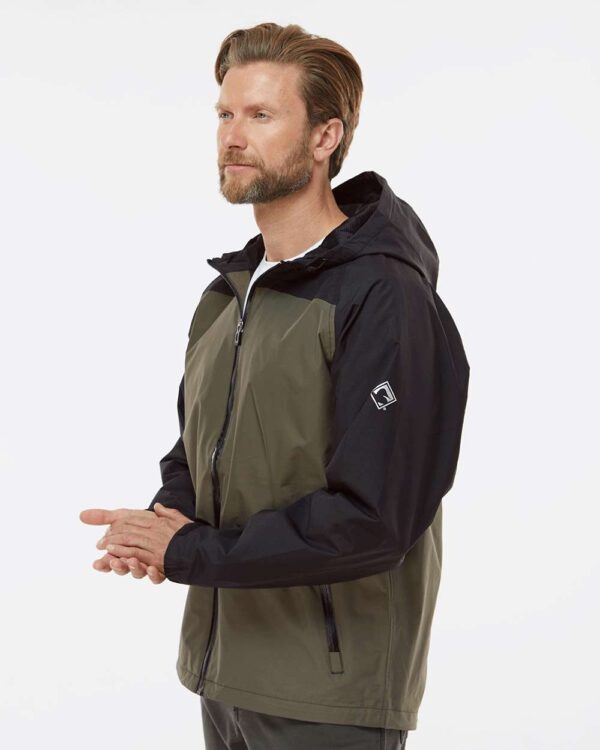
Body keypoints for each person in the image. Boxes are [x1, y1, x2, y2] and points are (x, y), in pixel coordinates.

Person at [80, 21, 470, 750]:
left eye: (261, 115)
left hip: (329, 696)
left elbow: (375, 517)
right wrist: (163, 522)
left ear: (325, 137)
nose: (232, 136)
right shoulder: (233, 292)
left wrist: (191, 553)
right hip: (224, 675)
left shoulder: (384, 297)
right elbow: (201, 448)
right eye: (225, 114)